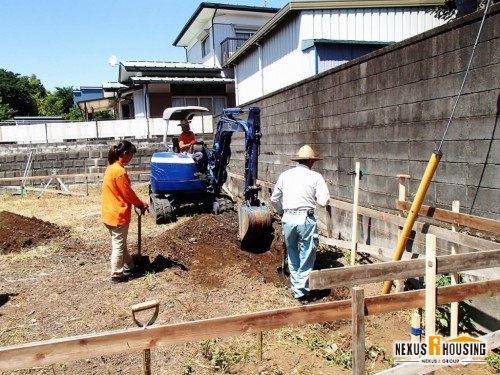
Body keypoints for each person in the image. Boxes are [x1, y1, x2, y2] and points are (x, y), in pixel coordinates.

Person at [270, 145, 330, 304]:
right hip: (305, 218)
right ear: (311, 160)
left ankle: (296, 287)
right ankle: (301, 293)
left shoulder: (285, 175)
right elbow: (324, 201)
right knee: (306, 255)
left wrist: (282, 212)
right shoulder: (316, 177)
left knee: (293, 253)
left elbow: (274, 199)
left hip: (288, 218)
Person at [101, 140, 149, 284]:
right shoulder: (120, 171)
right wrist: (140, 204)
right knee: (118, 245)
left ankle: (131, 265)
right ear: (125, 153)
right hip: (118, 214)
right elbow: (127, 193)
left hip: (108, 213)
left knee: (120, 243)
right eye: (131, 155)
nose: (131, 159)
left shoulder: (111, 168)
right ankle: (116, 274)